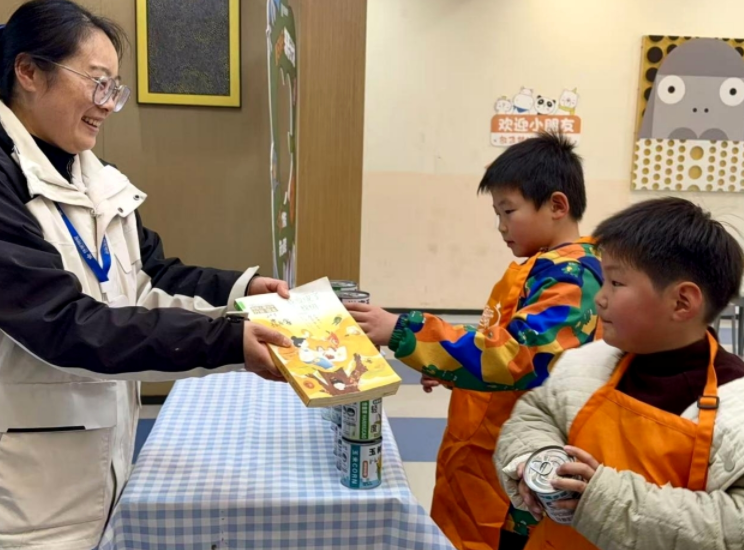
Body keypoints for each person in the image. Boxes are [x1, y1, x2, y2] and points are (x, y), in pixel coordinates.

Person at [0, 2, 291, 548]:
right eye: (97, 82)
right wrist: (229, 340)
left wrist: (243, 291)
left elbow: (152, 275)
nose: (107, 104)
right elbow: (62, 323)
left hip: (97, 462)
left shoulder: (98, 178)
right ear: (29, 71)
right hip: (24, 494)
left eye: (115, 89)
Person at [348, 132, 603, 550]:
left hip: (517, 478)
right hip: (483, 454)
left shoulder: (573, 279)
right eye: (497, 213)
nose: (501, 226)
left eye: (509, 211)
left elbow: (518, 356)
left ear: (557, 205)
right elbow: (496, 339)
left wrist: (404, 331)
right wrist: (447, 368)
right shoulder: (542, 267)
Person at [495, 198, 744, 550]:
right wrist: (535, 459)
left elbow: (732, 527)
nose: (599, 299)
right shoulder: (588, 363)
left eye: (615, 283)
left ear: (682, 302)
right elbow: (536, 413)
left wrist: (601, 500)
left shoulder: (736, 405)